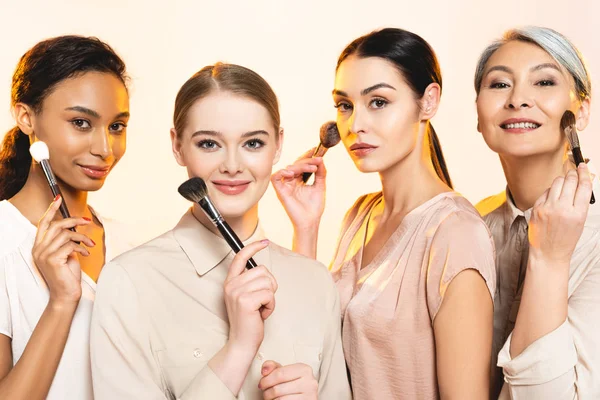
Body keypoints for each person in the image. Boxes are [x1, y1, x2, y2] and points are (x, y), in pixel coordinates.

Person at [90, 63, 352, 400]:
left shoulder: (315, 282)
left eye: (253, 143)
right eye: (209, 144)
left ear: (278, 145)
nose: (231, 165)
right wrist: (239, 348)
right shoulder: (128, 283)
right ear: (177, 145)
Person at [272, 28, 496, 399]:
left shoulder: (456, 234)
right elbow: (305, 343)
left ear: (428, 102)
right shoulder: (360, 215)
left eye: (378, 102)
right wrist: (306, 227)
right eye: (345, 105)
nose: (355, 125)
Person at [0, 35, 131, 399]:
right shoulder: (4, 244)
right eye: (81, 123)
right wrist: (61, 302)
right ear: (26, 117)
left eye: (117, 127)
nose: (104, 149)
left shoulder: (129, 245)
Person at [474, 26, 598, 399]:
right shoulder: (469, 224)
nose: (518, 99)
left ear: (581, 111)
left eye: (544, 82)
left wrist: (549, 259)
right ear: (478, 115)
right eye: (498, 84)